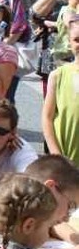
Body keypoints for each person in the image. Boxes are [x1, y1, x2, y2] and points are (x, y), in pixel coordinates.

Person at [33, 0, 79, 94]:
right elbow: (34, 15)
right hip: (50, 55)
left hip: (75, 55)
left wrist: (54, 23)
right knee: (50, 105)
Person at [42, 16, 79, 165]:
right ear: (69, 42)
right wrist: (56, 155)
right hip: (66, 157)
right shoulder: (58, 75)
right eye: (77, 39)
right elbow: (47, 117)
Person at [45, 0, 79, 68]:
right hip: (65, 54)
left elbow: (61, 24)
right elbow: (70, 22)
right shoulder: (68, 11)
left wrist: (50, 24)